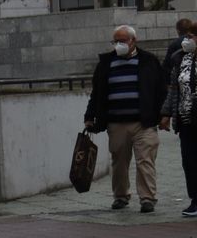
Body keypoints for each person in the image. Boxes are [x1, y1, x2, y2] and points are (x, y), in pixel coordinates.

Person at [84, 24, 166, 212]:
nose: (119, 44)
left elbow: (161, 90)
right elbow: (97, 94)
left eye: (123, 41)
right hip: (116, 123)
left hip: (143, 122)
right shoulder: (106, 64)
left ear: (133, 41)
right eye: (116, 41)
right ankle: (120, 196)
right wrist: (90, 117)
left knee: (145, 160)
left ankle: (147, 198)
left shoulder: (148, 61)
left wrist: (164, 116)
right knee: (119, 162)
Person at [159, 23, 197, 217]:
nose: (187, 40)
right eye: (187, 36)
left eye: (192, 37)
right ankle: (195, 200)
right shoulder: (179, 59)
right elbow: (174, 89)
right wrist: (166, 114)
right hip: (186, 119)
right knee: (189, 161)